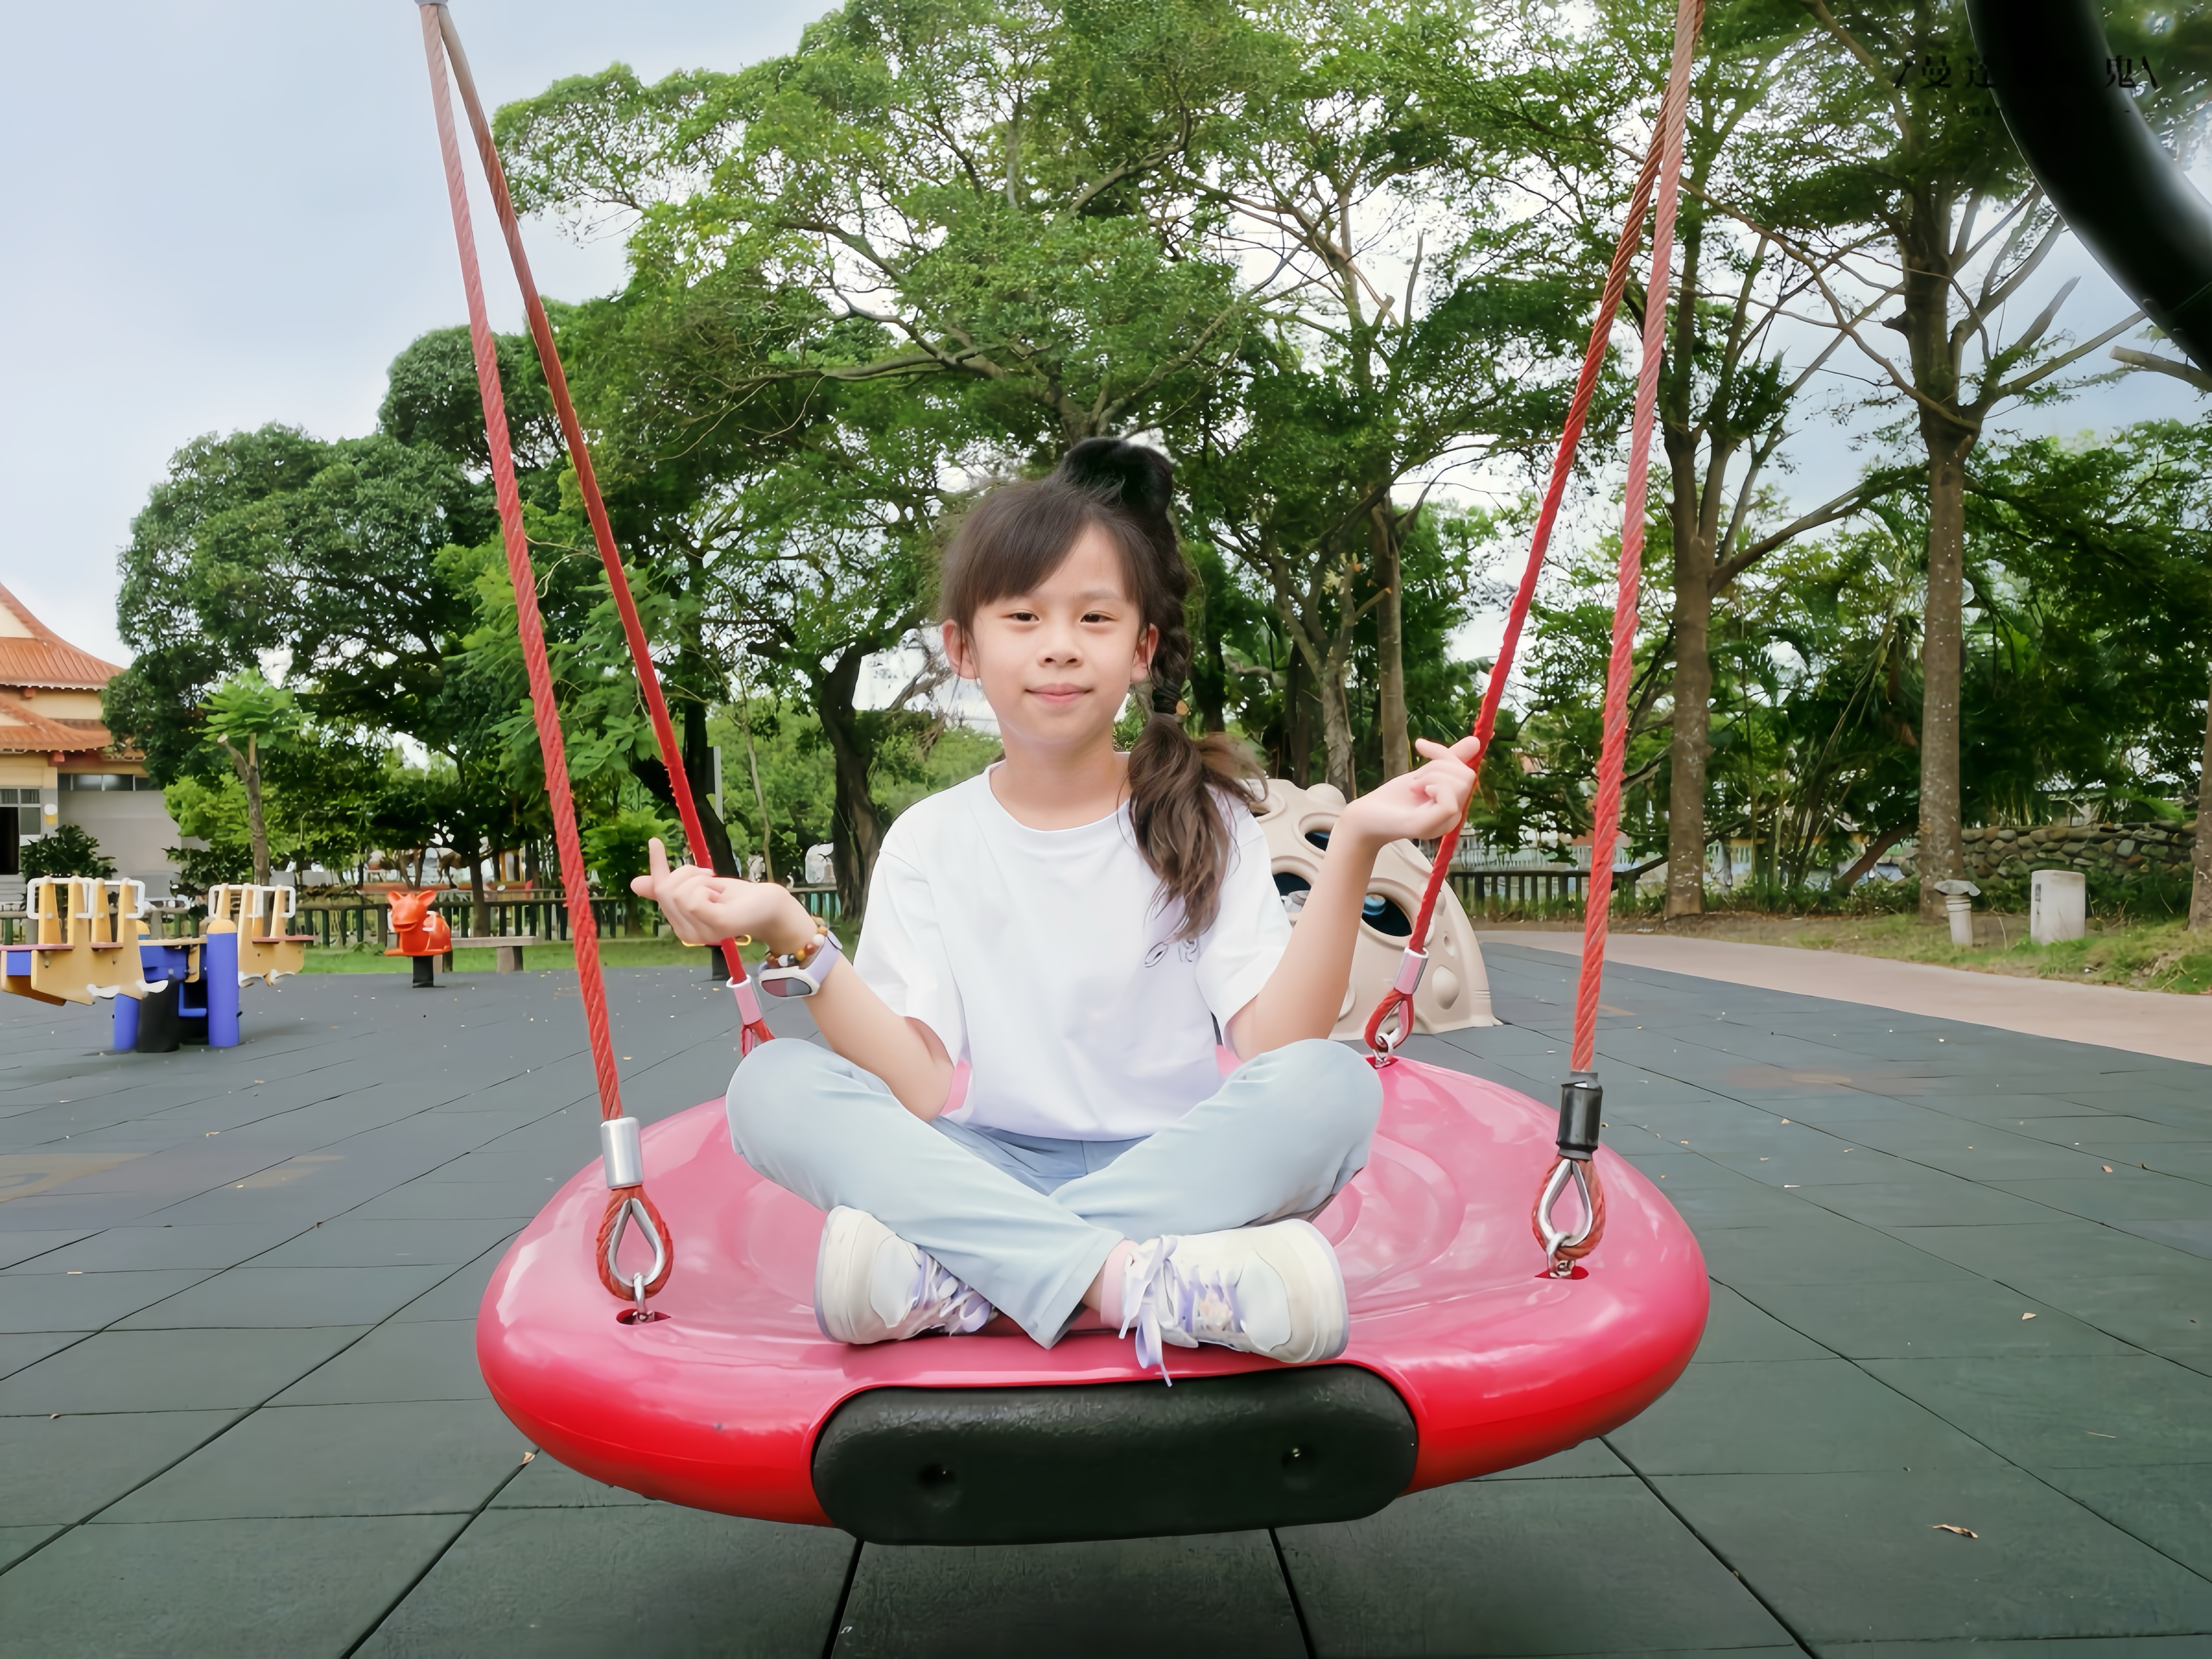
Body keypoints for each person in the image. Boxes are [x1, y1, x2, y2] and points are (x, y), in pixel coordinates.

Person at [632, 440, 1479, 1378]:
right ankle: (1138, 1283)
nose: (1060, 645)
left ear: (1141, 646)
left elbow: (1277, 1049)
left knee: (1334, 1087)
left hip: (1185, 1163)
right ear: (964, 647)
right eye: (1024, 615)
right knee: (771, 1089)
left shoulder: (1207, 819)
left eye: (1095, 618)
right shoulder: (933, 839)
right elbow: (915, 1084)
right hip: (992, 1165)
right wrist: (795, 932)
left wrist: (1356, 845)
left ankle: (966, 1278)